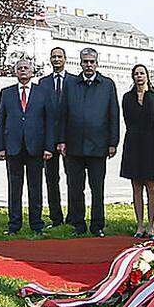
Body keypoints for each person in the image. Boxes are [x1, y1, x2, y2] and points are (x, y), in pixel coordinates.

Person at [56, 48, 119, 237]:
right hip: (74, 145)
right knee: (75, 188)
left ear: (97, 63)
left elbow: (113, 114)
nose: (89, 65)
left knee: (97, 187)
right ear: (80, 63)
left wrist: (113, 142)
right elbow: (62, 113)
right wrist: (61, 140)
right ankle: (78, 224)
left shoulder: (107, 85)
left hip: (98, 145)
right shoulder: (71, 84)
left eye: (92, 62)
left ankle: (97, 225)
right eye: (85, 62)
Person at [0, 58, 55, 234]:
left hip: (36, 148)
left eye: (26, 68)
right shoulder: (6, 93)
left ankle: (37, 225)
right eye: (19, 68)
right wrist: (0, 147)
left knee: (35, 187)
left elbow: (49, 121)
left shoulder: (42, 92)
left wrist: (48, 147)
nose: (23, 71)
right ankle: (14, 226)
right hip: (13, 147)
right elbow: (0, 121)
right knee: (14, 188)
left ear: (31, 71)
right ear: (15, 72)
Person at [119, 64, 154, 238]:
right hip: (133, 144)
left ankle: (151, 225)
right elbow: (127, 120)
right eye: (136, 74)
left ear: (147, 76)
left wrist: (153, 139)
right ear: (133, 77)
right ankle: (139, 226)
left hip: (152, 145)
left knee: (151, 186)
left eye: (142, 73)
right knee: (136, 186)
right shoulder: (127, 97)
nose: (139, 76)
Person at [38, 46, 71, 228]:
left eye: (59, 56)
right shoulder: (43, 83)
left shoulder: (74, 81)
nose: (57, 59)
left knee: (72, 179)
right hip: (49, 139)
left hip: (69, 138)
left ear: (65, 59)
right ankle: (56, 218)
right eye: (54, 57)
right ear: (50, 60)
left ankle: (73, 217)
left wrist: (65, 139)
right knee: (51, 179)